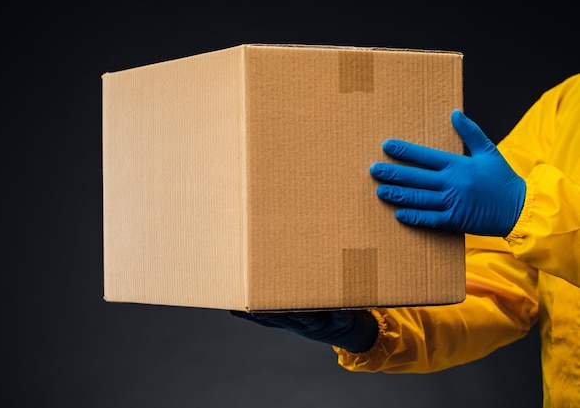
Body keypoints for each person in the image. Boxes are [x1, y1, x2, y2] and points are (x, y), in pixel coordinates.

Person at [232, 73, 580, 407]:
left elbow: (524, 219)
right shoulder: (567, 105)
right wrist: (374, 330)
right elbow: (500, 292)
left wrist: (527, 211)